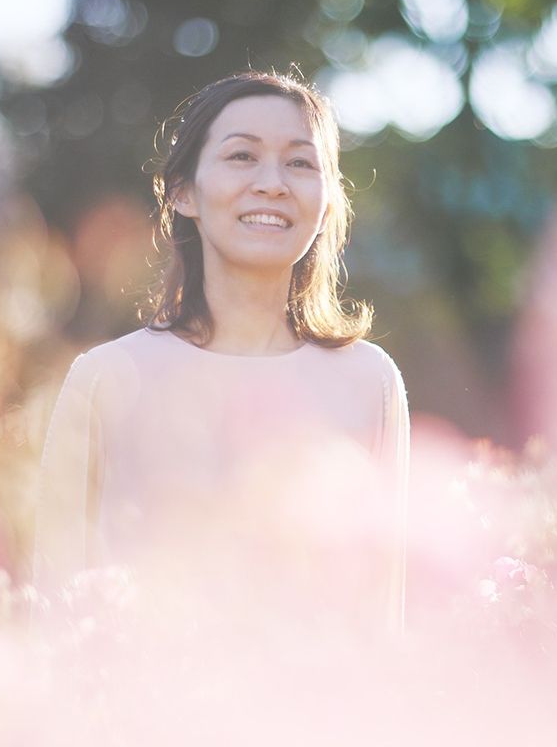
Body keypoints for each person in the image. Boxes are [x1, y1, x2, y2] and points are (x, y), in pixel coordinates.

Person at [34, 71, 409, 635]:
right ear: (183, 192)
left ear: (329, 199)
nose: (273, 183)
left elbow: (382, 616)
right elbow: (52, 604)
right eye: (242, 156)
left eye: (301, 163)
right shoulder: (106, 379)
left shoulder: (369, 381)